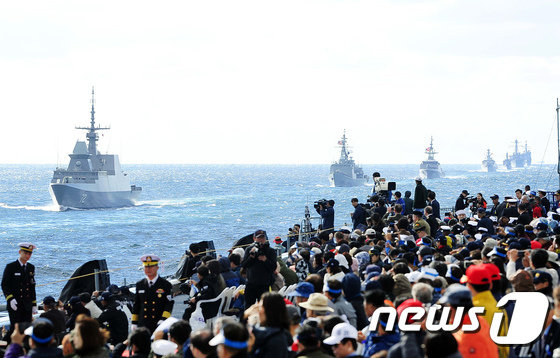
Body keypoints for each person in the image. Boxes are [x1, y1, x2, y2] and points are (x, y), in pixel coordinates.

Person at [2, 242, 37, 341]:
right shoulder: (11, 267)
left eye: (29, 253)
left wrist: (34, 304)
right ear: (19, 252)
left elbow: (32, 286)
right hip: (15, 304)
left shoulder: (31, 267)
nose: (27, 256)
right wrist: (10, 299)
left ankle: (23, 351)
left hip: (27, 304)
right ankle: (5, 347)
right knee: (15, 328)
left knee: (26, 329)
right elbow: (4, 285)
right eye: (25, 253)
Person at [131, 255, 174, 333]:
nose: (148, 269)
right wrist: (134, 322)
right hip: (143, 323)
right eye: (146, 267)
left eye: (151, 267)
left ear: (157, 268)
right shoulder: (140, 284)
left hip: (158, 323)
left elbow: (169, 303)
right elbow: (136, 304)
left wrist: (163, 319)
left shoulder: (165, 284)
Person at [241, 230, 277, 308]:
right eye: (259, 238)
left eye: (263, 238)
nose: (261, 240)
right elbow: (244, 265)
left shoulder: (270, 251)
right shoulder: (249, 249)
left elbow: (273, 267)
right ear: (254, 238)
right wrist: (251, 257)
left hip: (264, 284)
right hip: (251, 283)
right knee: (248, 306)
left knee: (264, 307)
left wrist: (265, 260)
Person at [251, 292, 293, 358]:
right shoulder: (278, 333)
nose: (258, 310)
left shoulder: (277, 340)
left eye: (261, 307)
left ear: (270, 310)